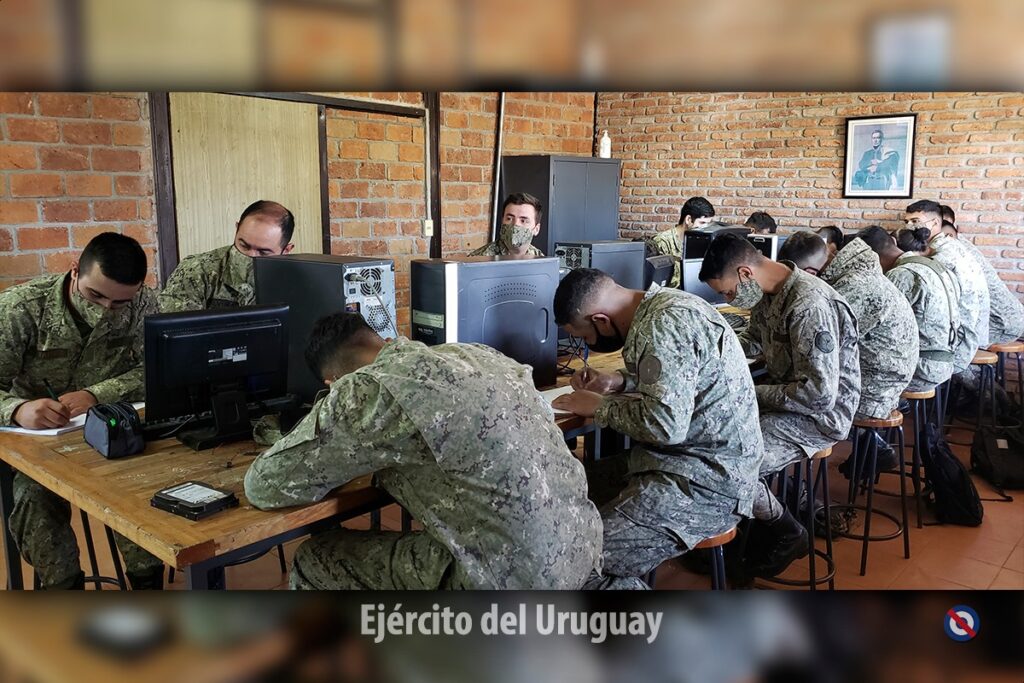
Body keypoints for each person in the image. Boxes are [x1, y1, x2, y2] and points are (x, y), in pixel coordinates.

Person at [244, 312, 601, 590]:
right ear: (383, 340)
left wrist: (332, 411)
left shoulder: (367, 389)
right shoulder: (477, 354)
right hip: (581, 549)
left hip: (513, 583)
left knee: (315, 558)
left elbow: (264, 486)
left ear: (333, 382)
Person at [550, 268, 763, 589]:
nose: (586, 344)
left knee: (565, 561)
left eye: (584, 336)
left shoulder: (659, 326)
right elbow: (679, 375)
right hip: (698, 466)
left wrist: (600, 407)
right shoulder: (666, 304)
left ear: (601, 320)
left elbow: (665, 427)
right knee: (569, 485)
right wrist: (620, 381)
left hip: (705, 485)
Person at [0, 233, 164, 589]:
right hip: (38, 442)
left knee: (146, 484)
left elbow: (158, 368)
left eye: (118, 303)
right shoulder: (21, 309)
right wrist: (17, 409)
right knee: (35, 499)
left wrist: (97, 394)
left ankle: (147, 583)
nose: (105, 308)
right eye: (95, 295)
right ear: (75, 269)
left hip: (114, 429)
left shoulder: (144, 304)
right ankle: (65, 588)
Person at [699, 234, 860, 578]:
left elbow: (818, 395)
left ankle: (786, 530)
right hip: (788, 402)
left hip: (819, 416)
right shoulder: (770, 293)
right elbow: (754, 341)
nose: (728, 299)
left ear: (745, 274)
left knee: (728, 463)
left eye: (728, 293)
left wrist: (750, 392)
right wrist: (709, 349)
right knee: (705, 435)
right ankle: (744, 526)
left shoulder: (808, 305)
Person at [780, 232, 918, 423]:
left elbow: (817, 344)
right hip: (882, 380)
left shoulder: (854, 288)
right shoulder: (854, 274)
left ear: (809, 273)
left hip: (873, 394)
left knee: (781, 399)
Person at [858, 226, 959, 393]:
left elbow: (876, 324)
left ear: (872, 257)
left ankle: (894, 403)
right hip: (946, 361)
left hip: (921, 368)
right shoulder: (934, 266)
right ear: (893, 241)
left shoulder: (900, 274)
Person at [158, 200, 295, 312]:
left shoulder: (295, 281)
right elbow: (175, 329)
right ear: (237, 229)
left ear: (286, 250)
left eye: (263, 252)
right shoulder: (197, 270)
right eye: (244, 245)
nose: (250, 256)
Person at [904, 200, 990, 373]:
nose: (909, 226)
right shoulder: (949, 245)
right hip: (965, 333)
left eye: (915, 221)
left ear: (935, 223)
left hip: (958, 343)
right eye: (906, 222)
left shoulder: (943, 255)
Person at [941, 204, 1024, 344]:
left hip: (1001, 325)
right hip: (1012, 320)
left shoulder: (955, 251)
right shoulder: (959, 243)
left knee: (944, 339)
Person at [648, 196, 716, 288]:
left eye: (708, 224)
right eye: (702, 223)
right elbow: (657, 283)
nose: (705, 228)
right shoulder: (662, 242)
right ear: (688, 220)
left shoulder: (700, 241)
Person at [469, 192, 545, 258]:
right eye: (509, 219)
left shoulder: (541, 260)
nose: (515, 224)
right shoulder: (478, 260)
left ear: (536, 229)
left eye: (523, 221)